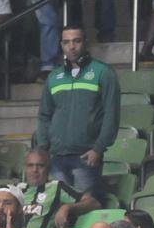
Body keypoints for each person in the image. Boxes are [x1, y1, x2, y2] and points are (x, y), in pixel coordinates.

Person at [34, 26, 119, 201]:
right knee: (59, 207)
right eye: (66, 42)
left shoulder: (103, 72)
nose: (71, 47)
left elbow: (112, 114)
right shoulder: (54, 77)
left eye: (76, 41)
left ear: (85, 43)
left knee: (85, 207)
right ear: (61, 45)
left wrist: (98, 148)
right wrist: (43, 149)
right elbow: (44, 115)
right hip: (56, 157)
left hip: (86, 156)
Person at [17, 148, 101, 228]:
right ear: (25, 168)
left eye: (40, 166)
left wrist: (67, 207)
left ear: (48, 169)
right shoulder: (17, 189)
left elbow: (94, 203)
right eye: (30, 165)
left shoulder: (57, 187)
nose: (35, 170)